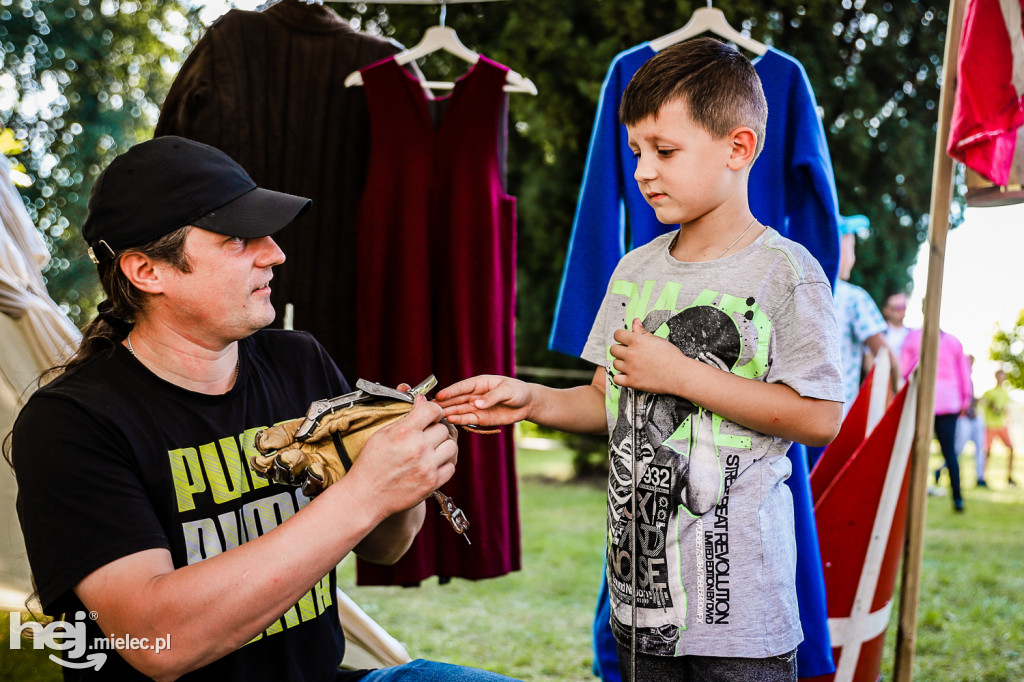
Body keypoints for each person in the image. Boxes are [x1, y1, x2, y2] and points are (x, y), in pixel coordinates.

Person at [6, 136, 515, 681]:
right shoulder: (70, 423)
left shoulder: (298, 360)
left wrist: (404, 474)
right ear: (146, 271)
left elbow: (384, 547)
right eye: (237, 238)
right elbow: (158, 642)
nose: (274, 252)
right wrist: (364, 492)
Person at [438, 38, 844, 682]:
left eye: (665, 151)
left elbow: (819, 417)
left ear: (739, 148)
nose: (643, 172)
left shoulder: (788, 274)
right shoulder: (634, 271)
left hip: (741, 619)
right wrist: (533, 399)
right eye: (636, 152)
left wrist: (684, 376)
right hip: (641, 608)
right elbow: (606, 398)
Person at [901, 327, 973, 511]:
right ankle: (957, 499)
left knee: (917, 449)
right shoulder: (951, 340)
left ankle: (910, 496)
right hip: (945, 401)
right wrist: (965, 399)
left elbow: (904, 370)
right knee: (949, 452)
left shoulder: (915, 338)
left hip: (927, 401)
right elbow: (963, 373)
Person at [833, 214, 896, 414]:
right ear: (838, 248)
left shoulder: (799, 290)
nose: (854, 257)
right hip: (835, 422)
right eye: (851, 248)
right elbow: (888, 359)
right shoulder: (853, 298)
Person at [954, 355, 988, 487]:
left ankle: (980, 477)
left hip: (974, 418)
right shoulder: (959, 378)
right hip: (963, 419)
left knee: (980, 448)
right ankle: (943, 470)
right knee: (958, 448)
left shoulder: (971, 380)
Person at [980, 369, 1017, 486]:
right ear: (996, 377)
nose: (1002, 378)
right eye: (1000, 375)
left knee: (1011, 449)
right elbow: (983, 403)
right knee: (988, 453)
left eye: (1003, 376)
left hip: (1001, 426)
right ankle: (983, 477)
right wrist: (991, 406)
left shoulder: (1005, 393)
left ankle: (1009, 477)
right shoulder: (989, 392)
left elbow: (1006, 410)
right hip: (990, 426)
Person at [882, 290, 912, 360]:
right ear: (887, 311)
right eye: (897, 308)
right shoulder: (879, 333)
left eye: (903, 307)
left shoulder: (910, 334)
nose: (901, 311)